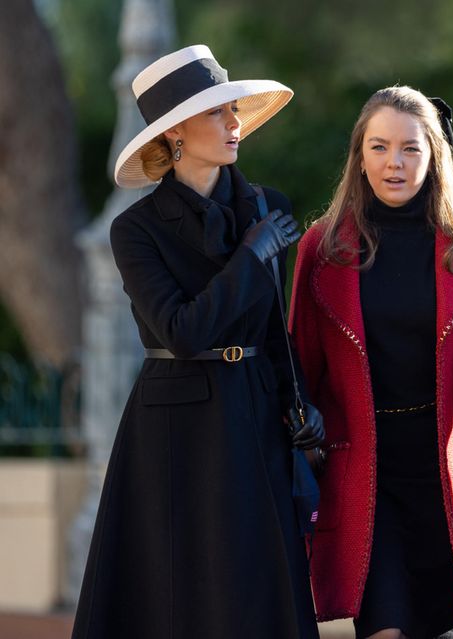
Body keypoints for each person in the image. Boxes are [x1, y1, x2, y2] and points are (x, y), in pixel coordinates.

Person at [72, 45, 323, 639]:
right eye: (218, 114)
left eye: (234, 110)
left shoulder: (267, 207)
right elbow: (181, 333)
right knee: (176, 592)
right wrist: (250, 256)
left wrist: (300, 400)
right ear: (177, 130)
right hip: (173, 429)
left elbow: (272, 329)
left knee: (258, 588)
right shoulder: (134, 230)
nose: (235, 124)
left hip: (257, 412)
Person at [289, 86, 453, 639]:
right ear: (359, 157)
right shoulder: (322, 250)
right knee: (385, 629)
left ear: (434, 155)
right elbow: (300, 365)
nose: (394, 162)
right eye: (379, 147)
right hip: (360, 471)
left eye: (410, 148)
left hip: (441, 472)